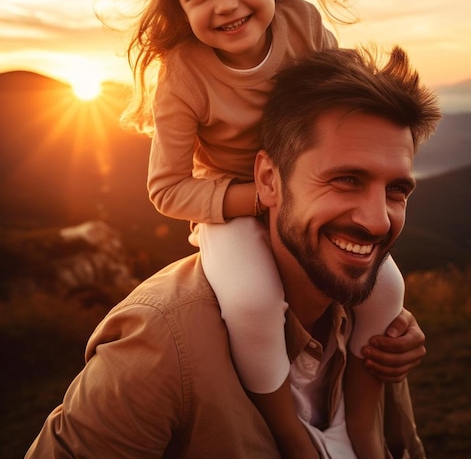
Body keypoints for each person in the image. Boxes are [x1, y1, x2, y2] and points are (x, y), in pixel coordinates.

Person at [120, 0, 420, 457]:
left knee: (386, 290)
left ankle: (365, 428)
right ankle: (291, 432)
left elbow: (346, 104)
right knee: (254, 302)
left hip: (305, 193)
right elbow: (166, 190)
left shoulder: (302, 24)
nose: (226, 3)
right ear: (179, 6)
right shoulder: (182, 76)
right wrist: (260, 200)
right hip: (235, 205)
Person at [25, 45, 440, 458]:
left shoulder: (374, 329)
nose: (378, 221)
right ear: (268, 180)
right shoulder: (160, 346)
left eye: (396, 190)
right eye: (346, 179)